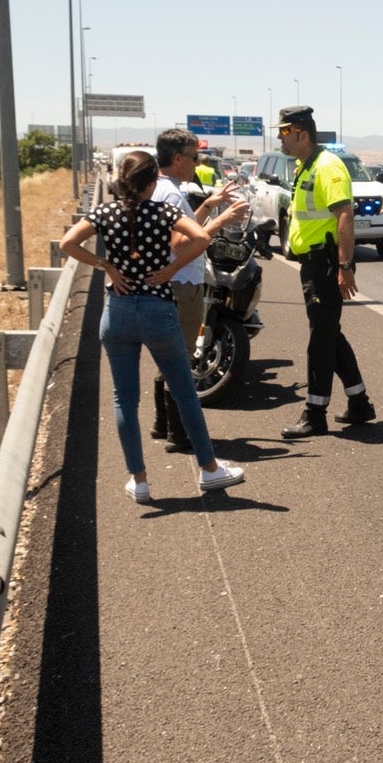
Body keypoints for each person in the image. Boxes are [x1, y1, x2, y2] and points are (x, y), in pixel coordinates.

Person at [59, 150, 245, 501]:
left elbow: (68, 243)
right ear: (150, 183)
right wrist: (171, 271)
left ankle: (140, 481)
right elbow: (202, 239)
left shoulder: (104, 213)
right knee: (184, 391)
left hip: (117, 313)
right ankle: (209, 470)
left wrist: (106, 266)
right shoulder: (165, 211)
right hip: (158, 309)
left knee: (124, 399)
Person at [275, 106, 377, 438]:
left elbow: (344, 215)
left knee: (321, 338)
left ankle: (314, 413)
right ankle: (359, 402)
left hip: (326, 263)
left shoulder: (328, 167)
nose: (280, 137)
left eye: (285, 131)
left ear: (303, 132)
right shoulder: (306, 166)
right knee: (329, 331)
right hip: (313, 264)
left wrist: (345, 266)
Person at [150, 129, 248, 452]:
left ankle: (162, 425)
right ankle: (179, 435)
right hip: (182, 286)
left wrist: (208, 204)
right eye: (194, 158)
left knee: (168, 359)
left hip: (168, 286)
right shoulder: (175, 196)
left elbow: (185, 226)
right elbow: (181, 244)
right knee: (180, 362)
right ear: (178, 159)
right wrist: (223, 221)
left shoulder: (160, 190)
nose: (197, 163)